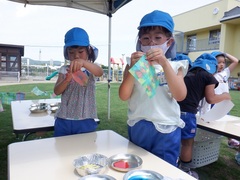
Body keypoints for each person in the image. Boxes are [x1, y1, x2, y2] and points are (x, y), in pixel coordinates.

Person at [119, 10, 188, 167]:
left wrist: (164, 63)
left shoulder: (176, 66)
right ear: (140, 43)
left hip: (166, 127)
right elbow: (123, 95)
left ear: (168, 42)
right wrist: (133, 68)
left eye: (158, 38)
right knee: (138, 167)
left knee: (164, 168)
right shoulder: (133, 66)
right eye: (146, 38)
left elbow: (180, 95)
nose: (152, 43)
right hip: (138, 124)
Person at [177, 53, 231, 179]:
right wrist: (225, 95)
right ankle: (185, 170)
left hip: (173, 112)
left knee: (175, 140)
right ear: (212, 67)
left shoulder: (187, 74)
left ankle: (172, 164)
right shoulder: (208, 77)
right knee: (187, 143)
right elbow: (211, 98)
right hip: (188, 114)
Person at [53, 27, 103, 137]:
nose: (76, 56)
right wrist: (66, 80)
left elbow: (99, 72)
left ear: (88, 51)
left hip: (86, 118)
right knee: (62, 150)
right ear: (66, 53)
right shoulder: (64, 69)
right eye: (71, 52)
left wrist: (83, 63)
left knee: (86, 150)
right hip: (64, 118)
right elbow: (56, 91)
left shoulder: (91, 68)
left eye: (80, 52)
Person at [200, 51, 239, 149]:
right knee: (212, 123)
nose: (221, 65)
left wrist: (225, 53)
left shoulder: (225, 73)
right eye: (218, 62)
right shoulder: (210, 75)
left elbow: (235, 61)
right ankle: (207, 142)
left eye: (223, 62)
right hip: (213, 102)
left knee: (225, 121)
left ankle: (231, 140)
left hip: (224, 103)